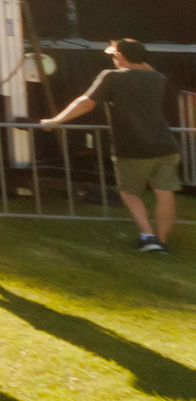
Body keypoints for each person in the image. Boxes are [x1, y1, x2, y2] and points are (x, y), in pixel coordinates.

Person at [40, 38, 179, 252]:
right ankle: (163, 241)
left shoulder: (111, 77)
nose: (113, 60)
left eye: (114, 56)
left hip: (134, 148)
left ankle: (148, 237)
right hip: (166, 145)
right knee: (165, 193)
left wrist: (55, 121)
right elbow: (145, 66)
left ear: (120, 57)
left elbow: (85, 103)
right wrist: (136, 55)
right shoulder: (157, 77)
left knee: (128, 193)